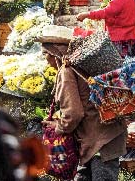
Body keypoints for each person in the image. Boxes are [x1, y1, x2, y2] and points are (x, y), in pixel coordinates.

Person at [41, 42, 127, 181]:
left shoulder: (67, 70)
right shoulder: (81, 65)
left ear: (55, 54)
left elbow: (74, 114)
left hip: (99, 143)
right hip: (108, 134)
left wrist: (59, 126)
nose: (45, 60)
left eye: (45, 54)